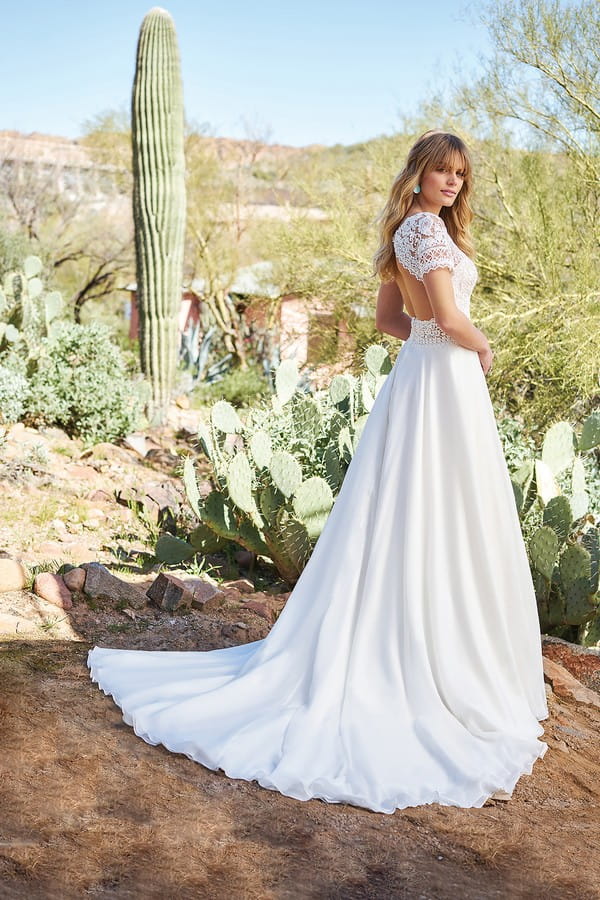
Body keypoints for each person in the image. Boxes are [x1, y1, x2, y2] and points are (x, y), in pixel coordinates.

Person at [88, 130, 549, 814]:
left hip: (419, 379)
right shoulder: (426, 232)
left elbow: (391, 320)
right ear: (418, 174)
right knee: (443, 510)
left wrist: (433, 338)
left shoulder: (407, 232)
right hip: (444, 381)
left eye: (459, 173)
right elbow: (448, 315)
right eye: (440, 171)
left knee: (413, 509)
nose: (451, 182)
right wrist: (476, 344)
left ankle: (416, 632)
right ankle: (432, 650)